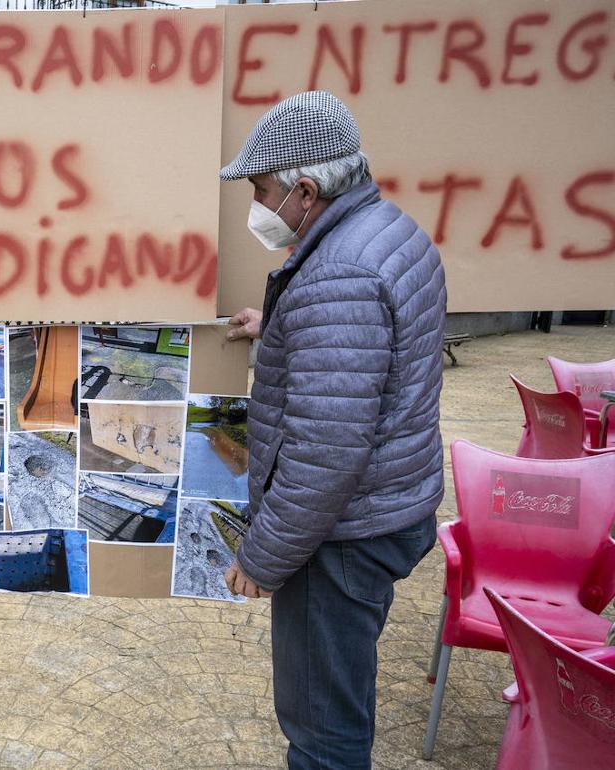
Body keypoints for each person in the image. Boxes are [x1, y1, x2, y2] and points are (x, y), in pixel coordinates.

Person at [220, 91, 447, 769]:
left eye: (262, 190)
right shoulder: (385, 230)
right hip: (382, 510)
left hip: (341, 539)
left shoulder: (338, 275)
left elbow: (325, 455)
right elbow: (370, 350)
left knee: (322, 729)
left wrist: (261, 558)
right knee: (341, 692)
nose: (258, 206)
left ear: (306, 190)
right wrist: (285, 327)